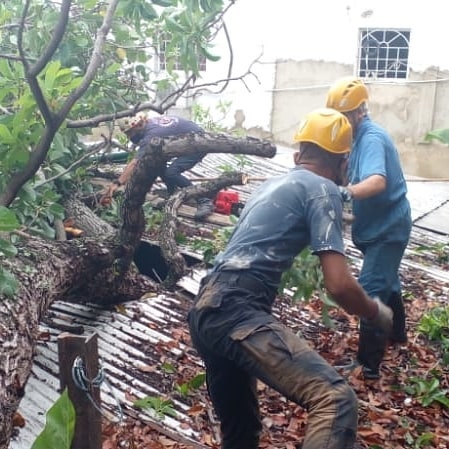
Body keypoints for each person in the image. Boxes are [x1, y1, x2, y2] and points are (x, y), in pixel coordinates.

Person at [187, 108, 393, 449]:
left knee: (241, 436)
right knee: (334, 398)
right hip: (237, 310)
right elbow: (339, 285)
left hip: (205, 309)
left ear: (298, 156)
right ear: (343, 163)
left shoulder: (271, 184)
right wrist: (374, 312)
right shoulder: (322, 189)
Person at [326, 76, 412, 379]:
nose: (341, 121)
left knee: (373, 288)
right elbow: (347, 173)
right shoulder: (353, 137)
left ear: (359, 111)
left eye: (344, 116)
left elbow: (377, 181)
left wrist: (346, 194)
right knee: (389, 282)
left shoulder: (372, 137)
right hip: (376, 225)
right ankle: (398, 334)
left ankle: (369, 365)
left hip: (388, 229)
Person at [100, 114, 215, 220]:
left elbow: (135, 163)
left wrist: (117, 183)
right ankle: (173, 196)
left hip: (198, 143)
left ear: (139, 125)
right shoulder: (150, 124)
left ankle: (204, 200)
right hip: (187, 141)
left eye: (131, 133)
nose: (130, 137)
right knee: (158, 164)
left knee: (171, 173)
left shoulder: (151, 135)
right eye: (127, 134)